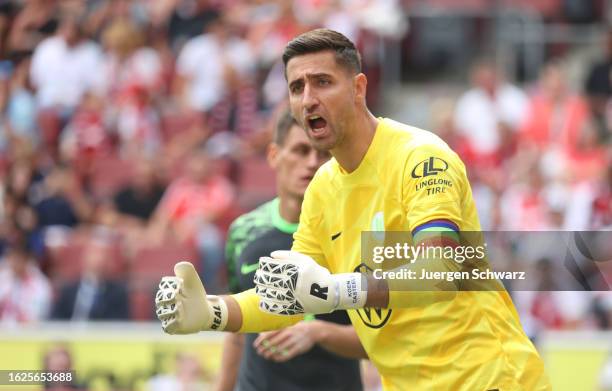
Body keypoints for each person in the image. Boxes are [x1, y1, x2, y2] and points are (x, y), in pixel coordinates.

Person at [155, 29, 552, 390]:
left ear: (359, 87)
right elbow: (287, 296)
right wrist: (211, 312)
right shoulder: (324, 188)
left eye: (322, 82)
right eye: (296, 87)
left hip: (492, 379)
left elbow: (440, 271)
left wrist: (334, 291)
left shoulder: (421, 157)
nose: (308, 98)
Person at [215, 108, 364, 391]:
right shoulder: (244, 232)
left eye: (323, 154)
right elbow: (237, 334)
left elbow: (380, 341)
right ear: (274, 155)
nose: (311, 163)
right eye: (300, 150)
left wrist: (319, 332)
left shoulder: (357, 232)